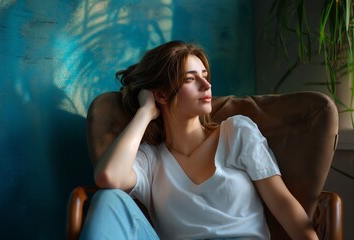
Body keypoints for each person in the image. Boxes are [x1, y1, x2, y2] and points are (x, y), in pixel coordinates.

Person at [80, 40, 319, 240]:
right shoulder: (150, 160)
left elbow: (283, 203)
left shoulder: (237, 132)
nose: (207, 85)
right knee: (107, 198)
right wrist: (144, 114)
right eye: (190, 79)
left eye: (205, 75)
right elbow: (108, 177)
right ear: (161, 94)